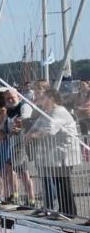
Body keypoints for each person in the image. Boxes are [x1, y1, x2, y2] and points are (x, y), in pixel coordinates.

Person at [27, 88, 80, 218]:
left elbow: (49, 130)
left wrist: (32, 135)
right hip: (55, 154)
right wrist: (30, 132)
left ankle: (68, 212)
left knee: (63, 182)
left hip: (64, 154)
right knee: (59, 182)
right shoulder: (47, 112)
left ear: (51, 99)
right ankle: (63, 210)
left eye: (43, 98)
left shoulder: (59, 112)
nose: (40, 100)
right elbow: (37, 124)